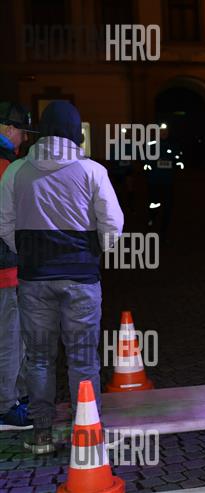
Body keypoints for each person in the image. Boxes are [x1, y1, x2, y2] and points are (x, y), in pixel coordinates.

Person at [0, 101, 123, 454]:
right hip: (81, 279)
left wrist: (27, 253)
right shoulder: (92, 171)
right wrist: (94, 251)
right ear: (74, 132)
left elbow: (4, 223)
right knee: (83, 359)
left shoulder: (17, 170)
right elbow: (113, 224)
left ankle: (41, 434)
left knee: (39, 359)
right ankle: (86, 433)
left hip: (34, 279)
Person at [0, 102, 34, 430]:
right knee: (9, 339)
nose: (24, 139)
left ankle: (17, 397)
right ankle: (7, 406)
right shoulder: (6, 166)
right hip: (5, 270)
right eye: (22, 131)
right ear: (8, 129)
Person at [144, 123, 183, 237]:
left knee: (168, 205)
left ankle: (164, 230)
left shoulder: (173, 145)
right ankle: (152, 217)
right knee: (153, 202)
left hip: (167, 180)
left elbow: (177, 157)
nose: (163, 133)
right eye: (161, 131)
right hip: (154, 179)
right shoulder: (151, 144)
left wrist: (179, 163)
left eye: (165, 131)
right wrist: (148, 164)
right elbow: (145, 157)